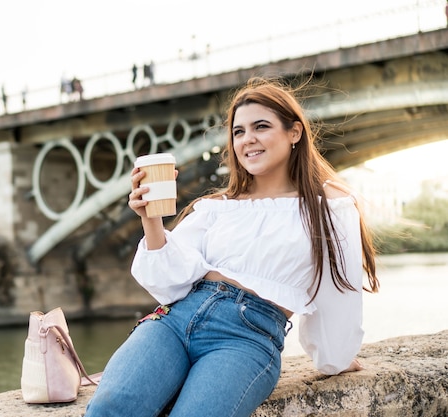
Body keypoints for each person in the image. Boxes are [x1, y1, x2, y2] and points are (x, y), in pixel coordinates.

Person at [85, 77, 380, 417]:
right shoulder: (218, 206)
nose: (247, 139)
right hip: (174, 322)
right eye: (238, 132)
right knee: (110, 409)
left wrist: (335, 358)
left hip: (246, 338)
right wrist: (149, 219)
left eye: (261, 126)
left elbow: (337, 294)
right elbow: (167, 282)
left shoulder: (329, 207)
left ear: (294, 132)